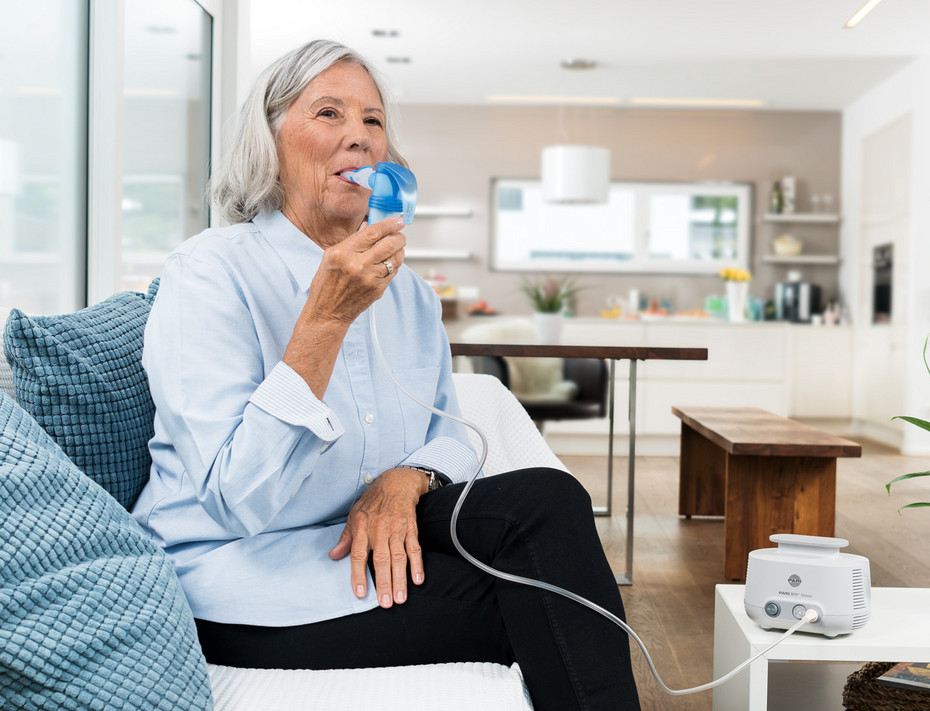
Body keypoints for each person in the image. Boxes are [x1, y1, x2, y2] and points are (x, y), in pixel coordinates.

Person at [131, 39, 640, 711]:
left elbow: (451, 431)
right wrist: (323, 321)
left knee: (549, 501)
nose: (359, 138)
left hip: (362, 533)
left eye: (372, 121)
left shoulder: (408, 293)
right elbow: (235, 497)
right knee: (548, 601)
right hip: (242, 570)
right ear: (270, 141)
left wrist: (409, 477)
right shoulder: (209, 274)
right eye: (330, 114)